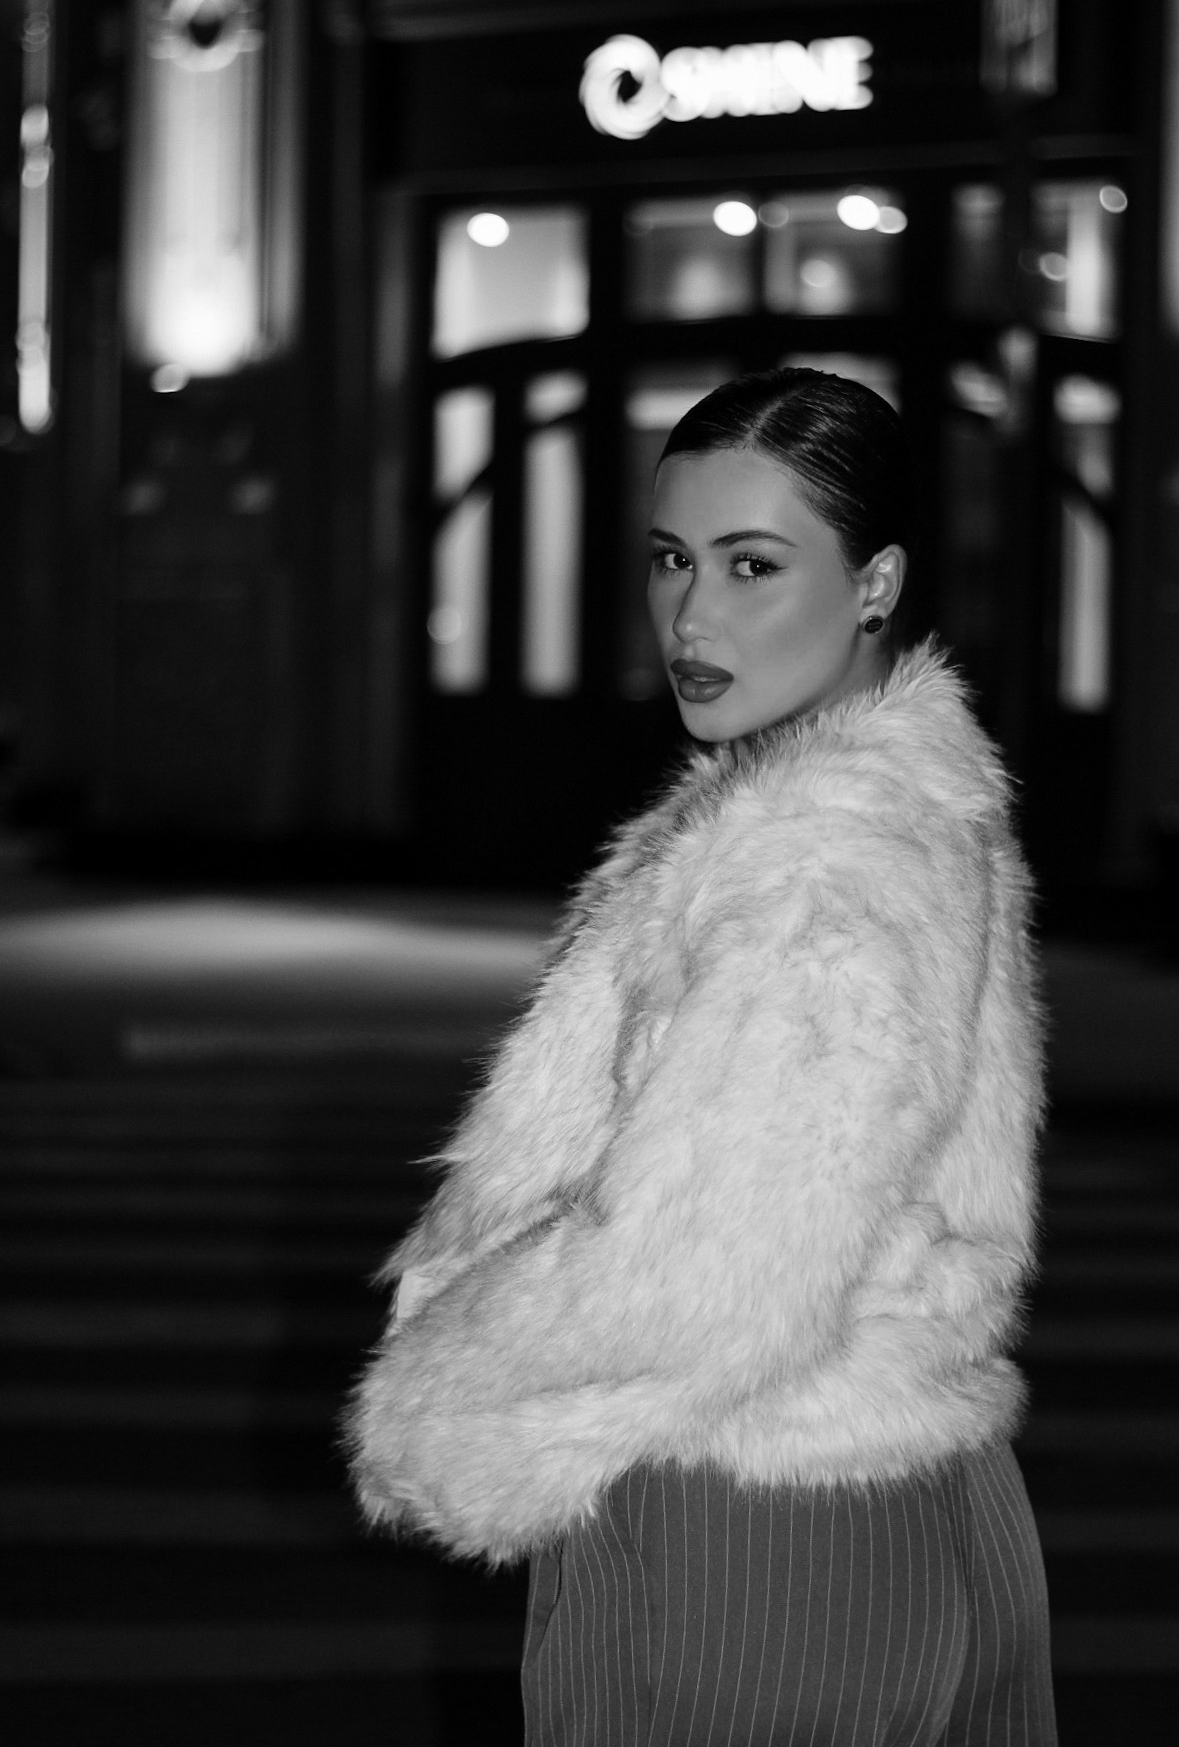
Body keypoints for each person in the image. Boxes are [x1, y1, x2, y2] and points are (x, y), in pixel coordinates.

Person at [348, 367, 1057, 1745]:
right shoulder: (897, 807)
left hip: (748, 1530)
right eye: (673, 558)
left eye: (753, 565)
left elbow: (709, 1277)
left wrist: (441, 1389)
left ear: (875, 582)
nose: (692, 615)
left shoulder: (815, 862)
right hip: (904, 1491)